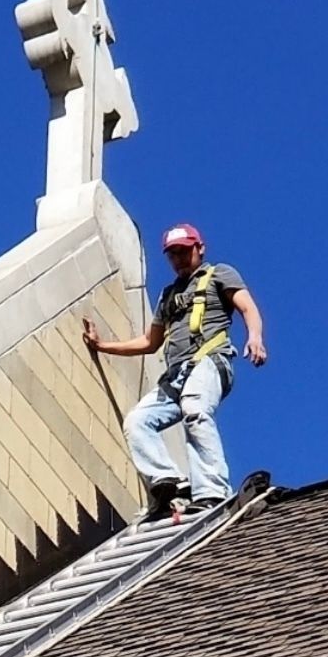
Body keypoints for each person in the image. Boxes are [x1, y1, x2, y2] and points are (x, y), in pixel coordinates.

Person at [83, 223, 267, 522]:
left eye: (184, 252)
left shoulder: (218, 274)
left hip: (209, 361)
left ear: (199, 248)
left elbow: (247, 307)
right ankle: (170, 484)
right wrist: (102, 346)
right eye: (173, 255)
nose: (178, 259)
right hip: (176, 375)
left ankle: (212, 491)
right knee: (138, 421)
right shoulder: (169, 295)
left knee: (195, 408)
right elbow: (149, 342)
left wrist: (255, 337)